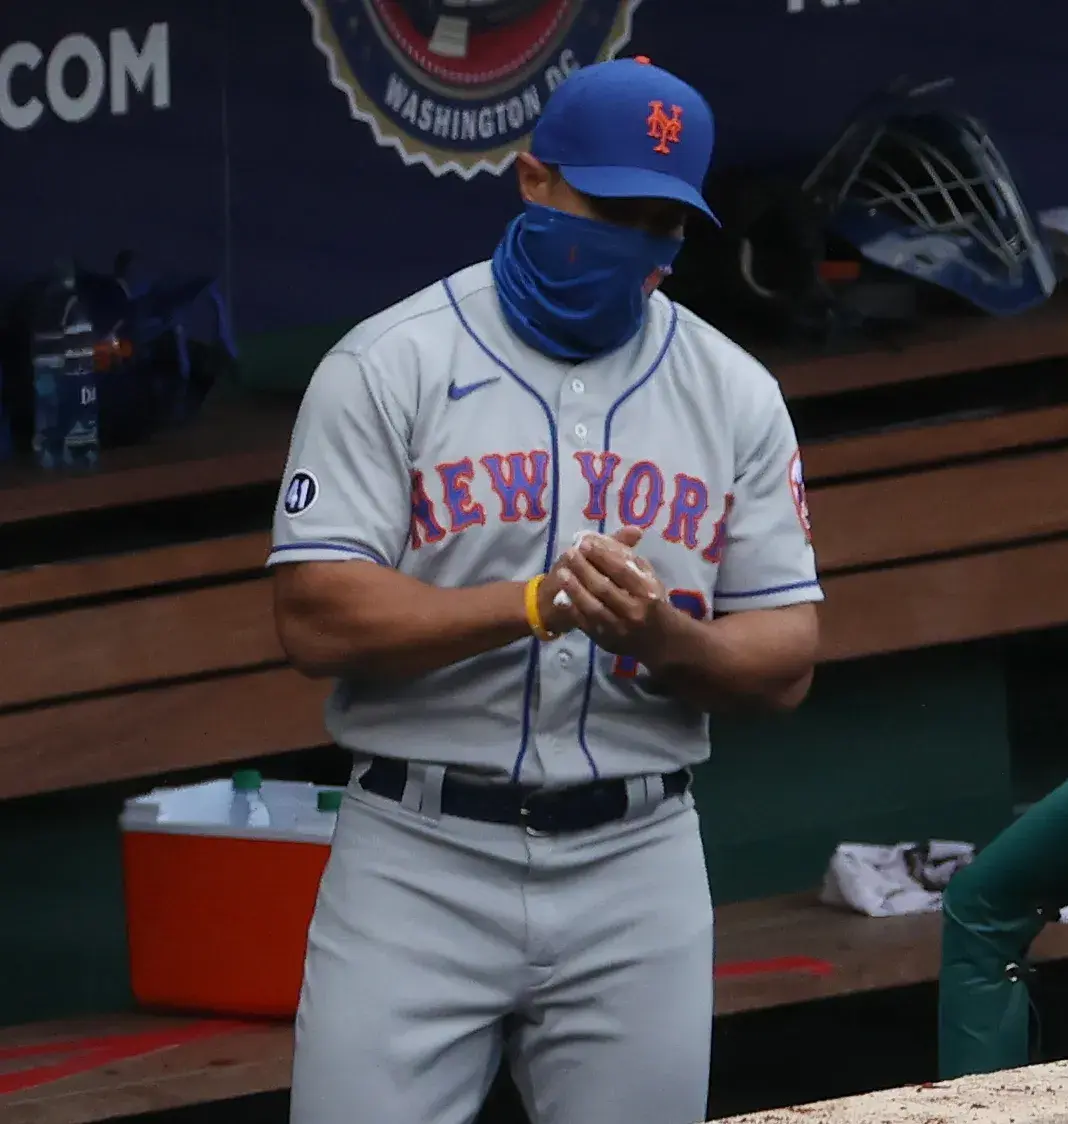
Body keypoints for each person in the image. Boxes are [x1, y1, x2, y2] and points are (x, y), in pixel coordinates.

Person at [266, 56, 822, 1124]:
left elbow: (787, 655)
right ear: (534, 179)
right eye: (611, 206)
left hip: (636, 855)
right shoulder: (390, 364)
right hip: (419, 853)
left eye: (662, 221)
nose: (636, 241)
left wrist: (664, 635)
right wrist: (534, 603)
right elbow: (314, 612)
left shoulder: (735, 394)